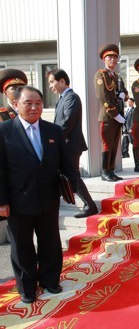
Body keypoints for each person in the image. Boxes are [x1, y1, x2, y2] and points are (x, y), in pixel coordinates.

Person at [0, 86, 77, 303]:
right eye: (28, 103)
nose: (34, 107)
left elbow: (66, 163)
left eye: (39, 103)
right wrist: (2, 201)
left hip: (48, 197)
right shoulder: (4, 131)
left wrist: (73, 187)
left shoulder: (53, 131)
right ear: (15, 105)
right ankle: (27, 287)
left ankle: (50, 280)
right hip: (18, 201)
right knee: (22, 246)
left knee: (50, 241)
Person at [47, 68, 98, 218]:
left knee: (73, 175)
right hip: (65, 144)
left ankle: (90, 205)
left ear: (62, 81)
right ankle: (77, 200)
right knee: (68, 174)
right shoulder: (62, 98)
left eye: (52, 82)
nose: (50, 86)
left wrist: (53, 139)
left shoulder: (71, 97)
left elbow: (66, 122)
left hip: (70, 144)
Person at [94, 43, 128, 182]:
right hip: (108, 116)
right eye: (110, 57)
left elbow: (124, 92)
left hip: (118, 115)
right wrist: (115, 114)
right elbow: (103, 97)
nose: (113, 60)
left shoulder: (117, 76)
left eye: (115, 57)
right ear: (104, 59)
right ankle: (104, 172)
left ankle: (111, 170)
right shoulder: (101, 75)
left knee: (114, 144)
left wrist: (123, 95)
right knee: (107, 144)